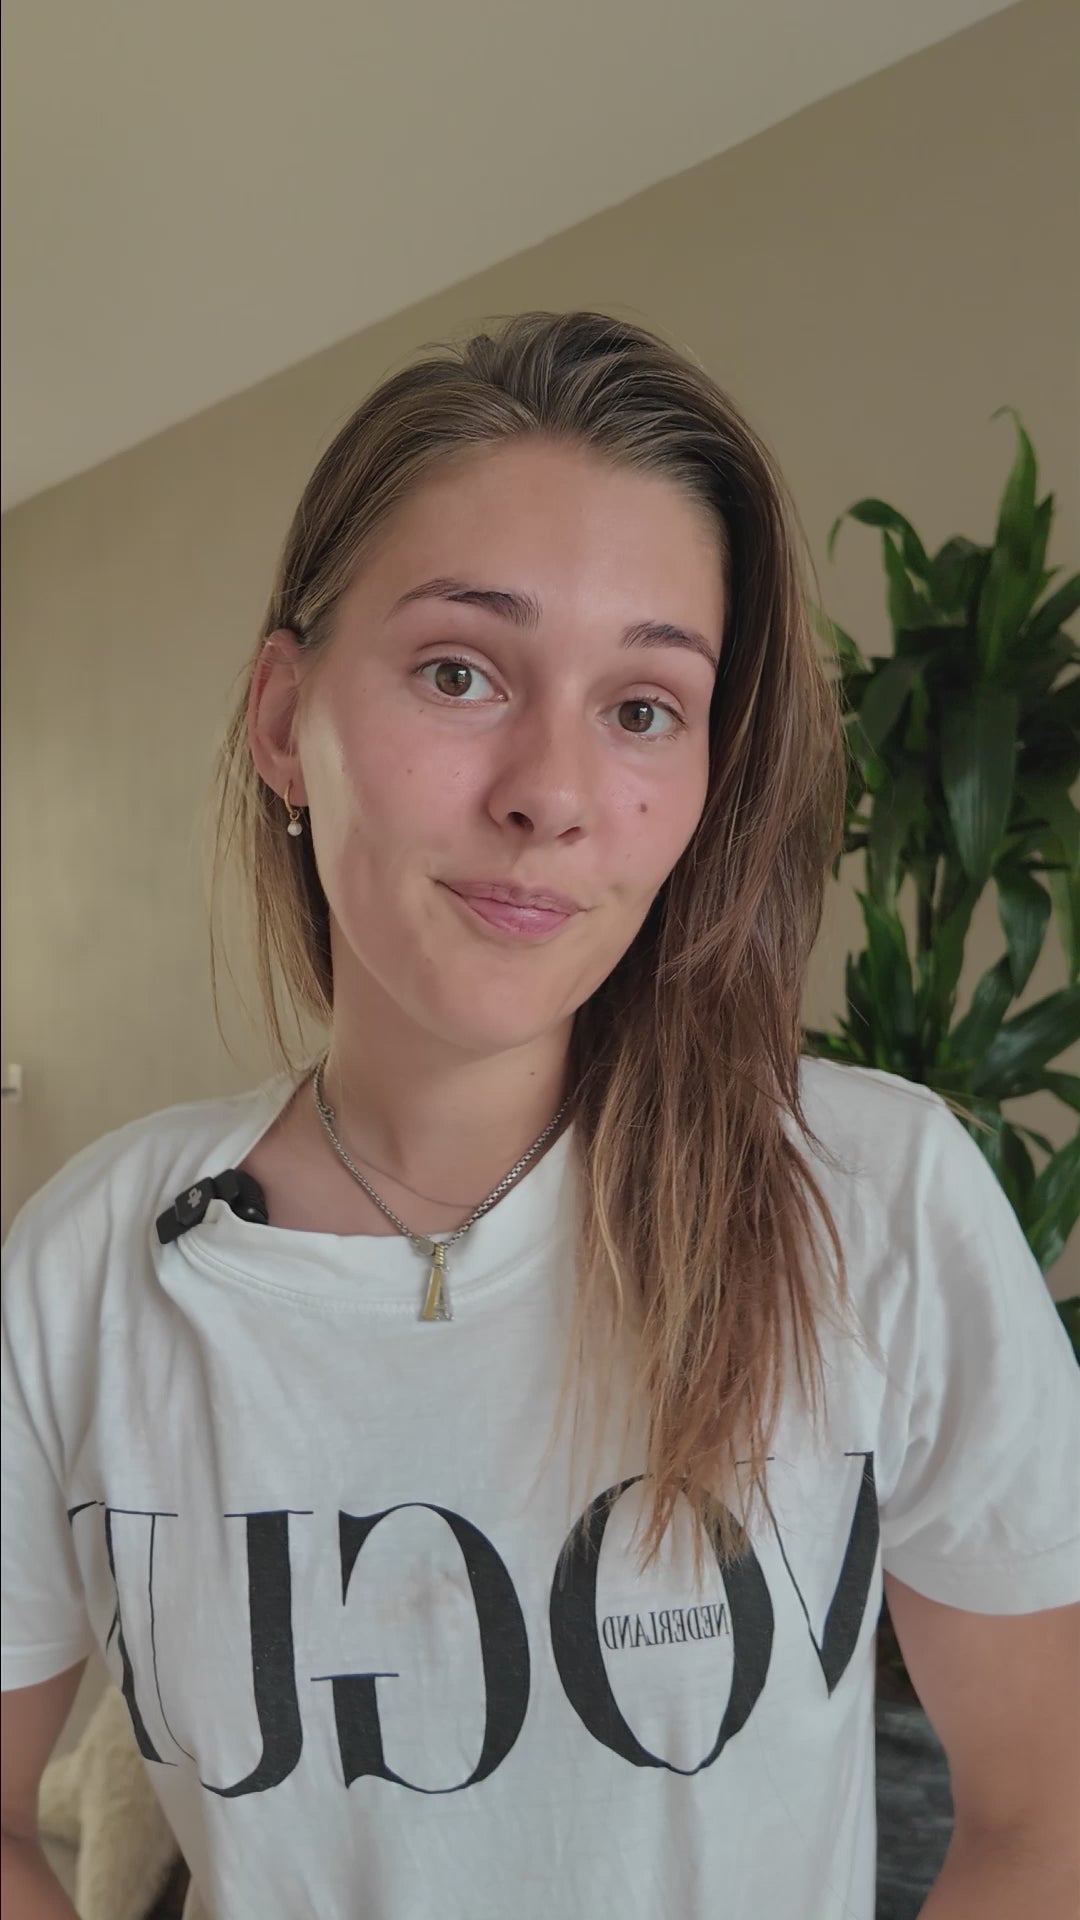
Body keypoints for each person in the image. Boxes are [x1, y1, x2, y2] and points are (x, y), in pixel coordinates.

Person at [2, 311, 1078, 1920]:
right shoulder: (92, 1265)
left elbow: (1047, 1821)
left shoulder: (877, 1200)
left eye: (643, 707)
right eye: (460, 671)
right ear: (285, 720)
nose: (552, 793)